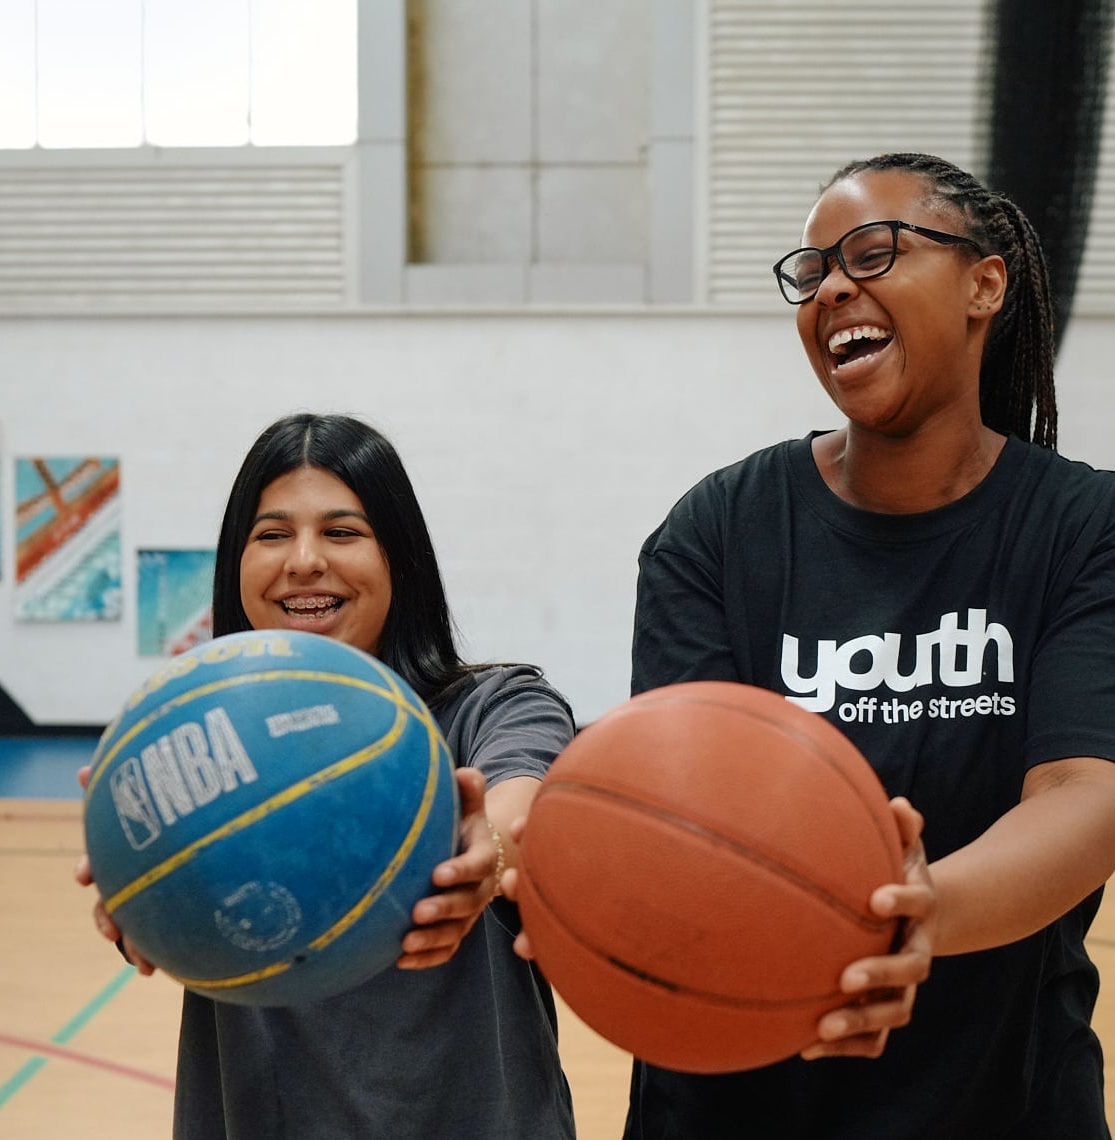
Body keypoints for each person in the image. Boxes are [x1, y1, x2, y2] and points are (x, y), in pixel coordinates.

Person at [504, 152, 1115, 1138]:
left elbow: (1088, 795)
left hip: (1001, 1098)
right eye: (813, 270)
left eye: (873, 252)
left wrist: (921, 914)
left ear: (983, 283)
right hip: (731, 1106)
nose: (833, 287)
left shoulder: (1082, 528)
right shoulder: (718, 530)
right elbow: (674, 812)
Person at [77, 412, 577, 1139]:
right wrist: (141, 896)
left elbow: (519, 803)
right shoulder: (192, 740)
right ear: (236, 563)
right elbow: (156, 912)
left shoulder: (496, 707)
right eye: (272, 534)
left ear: (399, 558)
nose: (305, 561)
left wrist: (487, 852)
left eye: (342, 532)